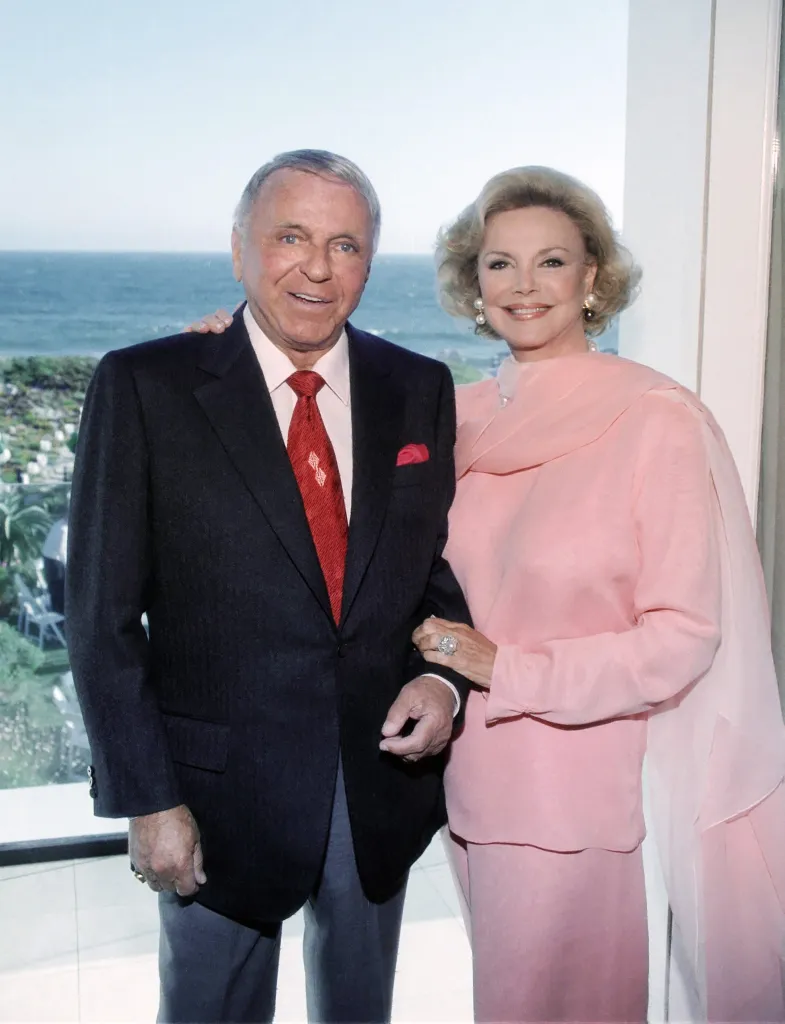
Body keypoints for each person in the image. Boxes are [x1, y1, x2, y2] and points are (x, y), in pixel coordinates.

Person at [194, 163, 785, 1023]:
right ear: (473, 282)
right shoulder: (452, 411)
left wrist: (506, 667)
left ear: (592, 278)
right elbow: (343, 525)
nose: (523, 285)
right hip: (457, 783)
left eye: (551, 261)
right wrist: (230, 361)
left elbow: (682, 636)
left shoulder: (656, 420)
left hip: (571, 793)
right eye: (499, 263)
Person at [66, 149, 472, 1024]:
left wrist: (443, 681)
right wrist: (149, 798)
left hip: (376, 789)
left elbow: (428, 570)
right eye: (290, 236)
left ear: (371, 258)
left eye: (346, 244)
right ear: (239, 247)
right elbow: (100, 619)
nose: (318, 268)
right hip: (215, 799)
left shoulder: (419, 388)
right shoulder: (146, 385)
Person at [42, 511, 67, 615]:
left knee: (54, 587)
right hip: (54, 562)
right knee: (59, 587)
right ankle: (59, 616)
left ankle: (55, 612)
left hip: (48, 559)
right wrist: (67, 564)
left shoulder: (58, 523)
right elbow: (61, 550)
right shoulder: (63, 529)